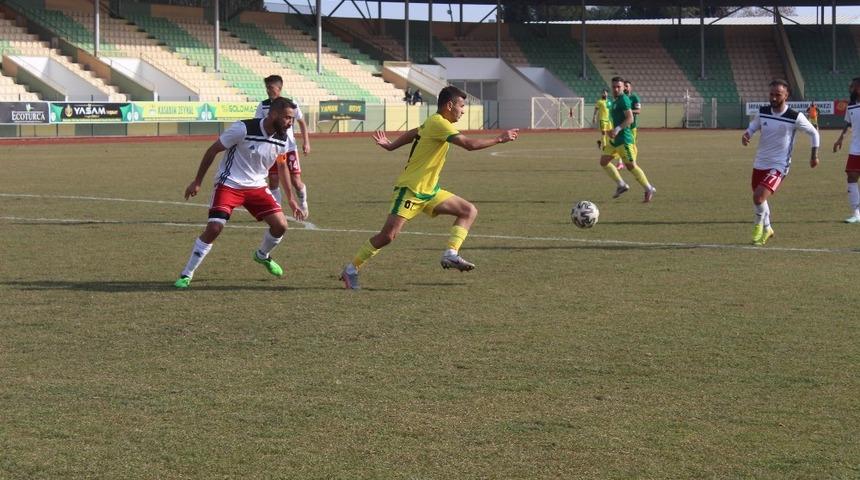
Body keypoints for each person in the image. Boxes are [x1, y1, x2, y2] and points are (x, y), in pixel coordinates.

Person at [338, 86, 519, 290]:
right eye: (461, 106)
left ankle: (451, 254)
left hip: (430, 191)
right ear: (449, 105)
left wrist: (391, 146)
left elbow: (415, 132)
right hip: (411, 190)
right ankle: (351, 269)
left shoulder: (433, 123)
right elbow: (468, 144)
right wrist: (499, 139)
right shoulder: (439, 123)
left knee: (468, 210)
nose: (463, 110)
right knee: (388, 236)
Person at [173, 97, 305, 289]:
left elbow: (282, 165)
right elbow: (212, 150)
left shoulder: (283, 137)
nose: (290, 123)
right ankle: (187, 273)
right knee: (214, 228)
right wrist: (197, 181)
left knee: (281, 226)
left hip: (257, 187)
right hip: (229, 183)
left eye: (292, 119)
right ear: (274, 114)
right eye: (287, 118)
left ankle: (262, 256)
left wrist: (291, 199)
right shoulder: (243, 128)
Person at [742, 79, 819, 246]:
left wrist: (814, 155)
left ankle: (758, 225)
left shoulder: (794, 116)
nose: (774, 98)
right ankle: (768, 228)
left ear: (786, 95)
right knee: (760, 200)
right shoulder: (763, 111)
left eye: (778, 95)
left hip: (779, 165)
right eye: (771, 94)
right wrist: (747, 134)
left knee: (758, 196)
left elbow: (814, 133)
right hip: (760, 162)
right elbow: (753, 126)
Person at [255, 75, 311, 218]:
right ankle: (277, 211)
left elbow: (302, 122)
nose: (268, 90)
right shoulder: (263, 106)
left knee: (296, 182)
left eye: (271, 87)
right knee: (273, 180)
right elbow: (258, 124)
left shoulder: (291, 104)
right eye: (267, 87)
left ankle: (303, 202)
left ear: (279, 88)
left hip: (289, 148)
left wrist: (306, 142)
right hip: (272, 148)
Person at [600, 76, 656, 202]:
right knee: (604, 161)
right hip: (615, 140)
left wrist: (617, 129)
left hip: (624, 139)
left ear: (623, 87)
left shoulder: (624, 100)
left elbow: (630, 118)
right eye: (614, 86)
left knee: (631, 166)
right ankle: (621, 185)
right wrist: (611, 131)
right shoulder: (615, 101)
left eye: (618, 87)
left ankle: (648, 188)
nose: (615, 89)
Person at [832, 77, 860, 223]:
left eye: (853, 86)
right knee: (851, 177)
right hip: (856, 148)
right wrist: (840, 139)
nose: (851, 89)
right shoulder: (851, 107)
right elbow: (848, 125)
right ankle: (856, 213)